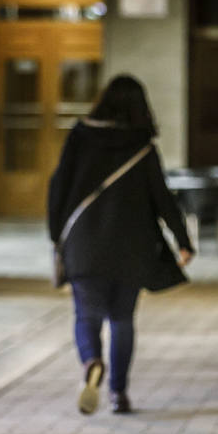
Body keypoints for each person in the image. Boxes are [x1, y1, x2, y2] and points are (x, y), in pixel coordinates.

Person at [47, 75, 195, 415]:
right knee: (122, 320)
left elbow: (58, 188)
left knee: (86, 314)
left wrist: (57, 236)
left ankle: (91, 361)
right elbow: (162, 199)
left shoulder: (79, 138)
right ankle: (118, 394)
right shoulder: (142, 147)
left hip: (83, 243)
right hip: (132, 246)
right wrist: (183, 241)